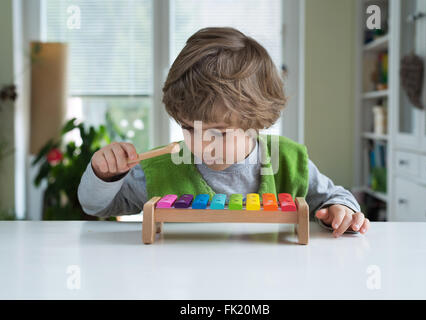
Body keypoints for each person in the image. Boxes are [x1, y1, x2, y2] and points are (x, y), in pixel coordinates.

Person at [78, 27, 370, 238]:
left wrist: (339, 210)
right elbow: (96, 205)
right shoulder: (161, 169)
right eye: (189, 128)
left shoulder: (289, 161)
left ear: (255, 123)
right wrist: (105, 175)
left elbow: (336, 197)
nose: (202, 143)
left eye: (219, 133)